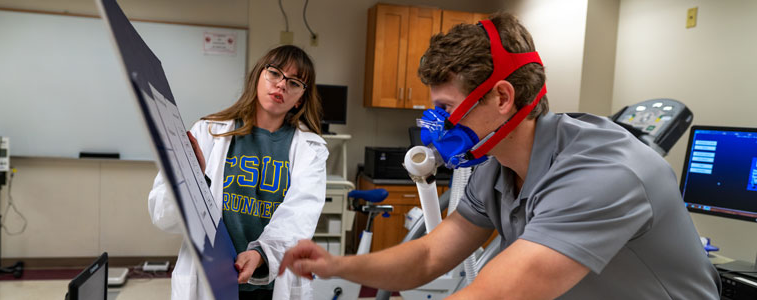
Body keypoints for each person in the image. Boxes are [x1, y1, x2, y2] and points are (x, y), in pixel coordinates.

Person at [279, 13, 721, 299]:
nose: (437, 124)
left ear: (503, 98)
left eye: (446, 108)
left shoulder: (601, 174)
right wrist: (338, 266)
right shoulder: (494, 167)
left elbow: (494, 294)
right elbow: (430, 256)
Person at [148, 45, 329, 300]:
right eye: (275, 73)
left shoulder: (311, 150)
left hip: (270, 286)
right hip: (211, 282)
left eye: (294, 82)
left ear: (300, 98)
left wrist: (260, 254)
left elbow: (299, 215)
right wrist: (193, 178)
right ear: (258, 76)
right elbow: (161, 214)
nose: (281, 85)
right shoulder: (208, 132)